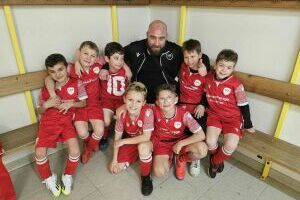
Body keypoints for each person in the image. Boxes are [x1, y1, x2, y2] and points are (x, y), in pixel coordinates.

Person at [35, 53, 87, 197]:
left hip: (66, 122)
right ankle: (49, 178)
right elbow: (39, 110)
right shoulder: (47, 87)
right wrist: (46, 105)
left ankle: (67, 176)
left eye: (60, 69)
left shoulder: (76, 83)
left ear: (67, 68)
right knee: (39, 153)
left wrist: (71, 103)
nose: (57, 74)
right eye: (52, 71)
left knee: (75, 151)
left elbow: (84, 103)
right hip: (48, 123)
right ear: (48, 72)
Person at [45, 41, 105, 164]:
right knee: (82, 132)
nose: (89, 58)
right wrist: (53, 95)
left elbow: (111, 57)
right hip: (79, 106)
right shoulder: (70, 68)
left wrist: (109, 70)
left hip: (94, 105)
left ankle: (88, 148)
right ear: (79, 53)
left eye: (92, 55)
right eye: (85, 54)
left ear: (96, 58)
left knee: (99, 130)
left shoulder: (97, 65)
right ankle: (90, 142)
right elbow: (48, 78)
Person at [124, 20, 210, 103]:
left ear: (166, 36)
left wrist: (203, 65)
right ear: (147, 35)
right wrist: (126, 67)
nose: (157, 43)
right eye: (153, 37)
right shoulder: (136, 47)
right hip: (139, 101)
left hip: (167, 102)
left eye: (161, 38)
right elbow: (114, 54)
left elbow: (202, 56)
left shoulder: (174, 50)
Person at [202, 49, 255, 178]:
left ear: (233, 69)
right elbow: (203, 95)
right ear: (215, 64)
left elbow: (244, 105)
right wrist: (202, 105)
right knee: (210, 141)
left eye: (229, 67)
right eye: (221, 65)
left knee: (231, 145)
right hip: (214, 115)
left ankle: (215, 161)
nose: (224, 70)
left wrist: (248, 124)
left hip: (232, 119)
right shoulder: (208, 78)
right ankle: (216, 156)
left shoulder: (236, 84)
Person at [149, 84, 207, 180]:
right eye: (162, 99)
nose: (166, 101)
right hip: (161, 144)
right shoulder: (153, 108)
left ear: (176, 100)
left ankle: (181, 159)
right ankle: (170, 158)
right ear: (157, 102)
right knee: (159, 173)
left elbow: (201, 135)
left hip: (178, 140)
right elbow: (138, 105)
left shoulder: (184, 114)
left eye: (169, 98)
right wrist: (122, 107)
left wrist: (181, 143)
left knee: (202, 149)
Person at [110, 82, 154, 196]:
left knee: (143, 148)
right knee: (115, 169)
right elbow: (117, 139)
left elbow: (146, 136)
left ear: (144, 103)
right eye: (130, 100)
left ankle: (146, 177)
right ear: (124, 99)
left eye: (138, 101)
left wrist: (124, 141)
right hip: (133, 140)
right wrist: (114, 160)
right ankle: (137, 157)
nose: (133, 104)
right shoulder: (122, 114)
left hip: (150, 141)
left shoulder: (147, 112)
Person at [178, 39, 209, 177]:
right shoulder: (182, 66)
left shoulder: (205, 73)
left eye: (193, 57)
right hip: (182, 105)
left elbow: (211, 92)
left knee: (199, 133)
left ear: (200, 55)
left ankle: (194, 158)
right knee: (176, 129)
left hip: (197, 107)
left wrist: (203, 104)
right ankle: (177, 153)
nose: (189, 60)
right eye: (186, 57)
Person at [98, 42, 129, 151]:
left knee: (124, 117)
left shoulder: (124, 70)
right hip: (107, 101)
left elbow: (130, 77)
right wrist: (104, 67)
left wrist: (124, 63)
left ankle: (125, 135)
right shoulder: (102, 71)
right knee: (106, 121)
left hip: (121, 101)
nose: (120, 62)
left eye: (122, 58)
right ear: (107, 59)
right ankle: (104, 135)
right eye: (116, 58)